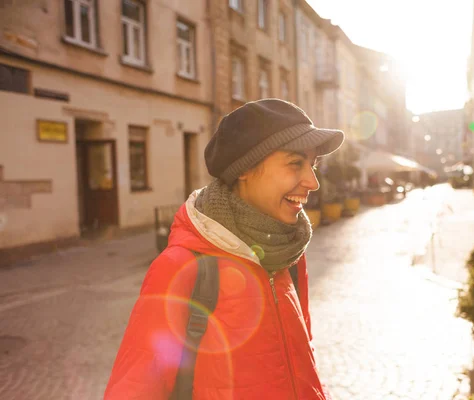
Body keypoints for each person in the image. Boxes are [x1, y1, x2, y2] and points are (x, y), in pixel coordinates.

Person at [104, 99, 344, 399]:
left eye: (313, 165)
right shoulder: (182, 267)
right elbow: (136, 389)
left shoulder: (290, 256)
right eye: (296, 163)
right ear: (245, 169)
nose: (312, 181)